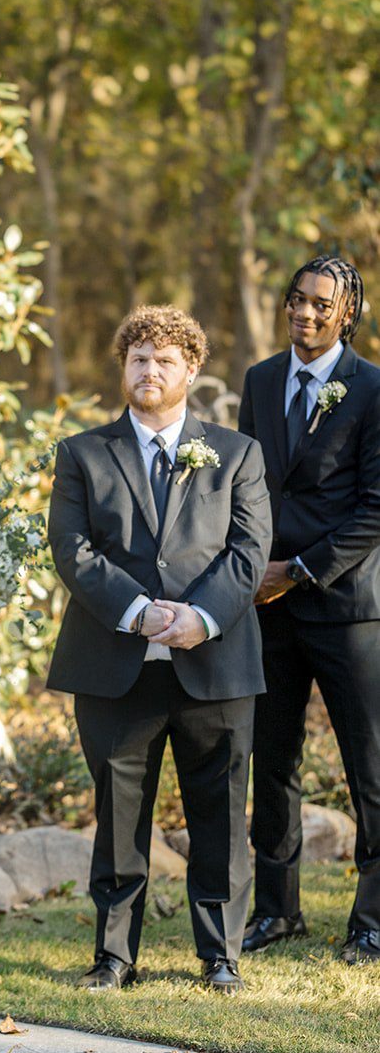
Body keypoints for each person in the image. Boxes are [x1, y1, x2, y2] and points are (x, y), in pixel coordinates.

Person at [47, 306, 271, 992]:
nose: (148, 370)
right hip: (115, 667)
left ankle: (219, 956)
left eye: (163, 359)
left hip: (216, 662)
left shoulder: (237, 454)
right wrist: (140, 613)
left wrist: (200, 616)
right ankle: (113, 956)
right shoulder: (82, 454)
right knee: (117, 816)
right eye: (137, 358)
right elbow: (72, 550)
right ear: (123, 367)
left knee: (221, 815)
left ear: (191, 371)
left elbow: (249, 550)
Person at [238, 254, 380, 964]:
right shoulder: (259, 381)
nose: (305, 313)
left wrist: (296, 570)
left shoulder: (372, 389)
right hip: (265, 607)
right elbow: (243, 486)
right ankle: (276, 910)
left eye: (321, 304)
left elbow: (375, 509)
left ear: (346, 313)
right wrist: (246, 569)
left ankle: (373, 916)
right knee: (273, 760)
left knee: (370, 763)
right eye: (297, 300)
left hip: (346, 604)